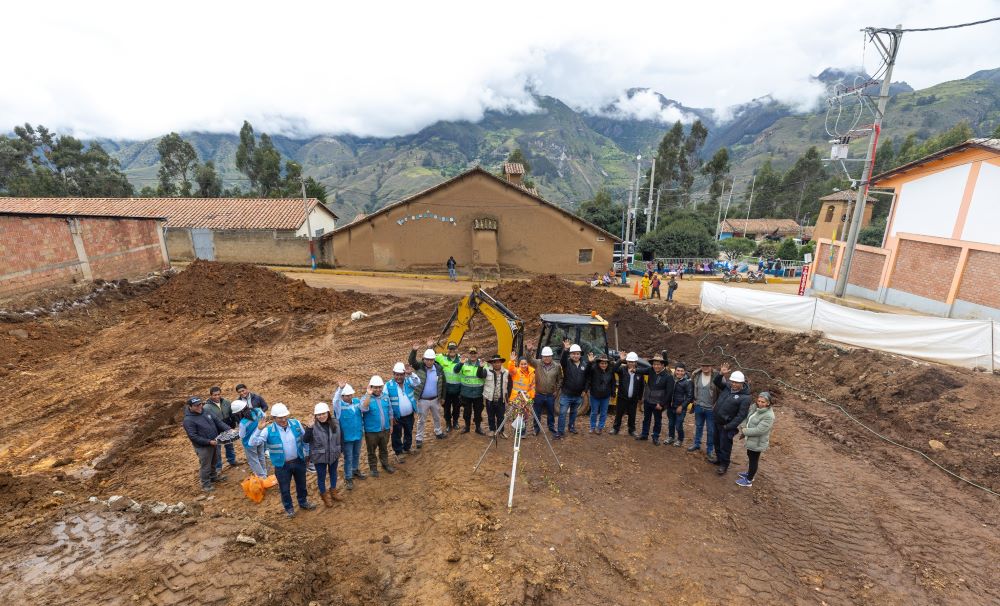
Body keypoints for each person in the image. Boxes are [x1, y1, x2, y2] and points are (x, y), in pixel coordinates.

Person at [248, 403, 317, 517]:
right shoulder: (268, 430)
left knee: (302, 485)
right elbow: (252, 443)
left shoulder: (296, 424)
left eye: (285, 416)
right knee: (284, 489)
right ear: (274, 418)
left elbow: (305, 440)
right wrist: (258, 430)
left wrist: (307, 455)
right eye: (280, 418)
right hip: (282, 465)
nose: (284, 419)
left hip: (299, 461)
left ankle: (303, 502)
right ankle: (289, 508)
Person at [182, 396, 230, 492]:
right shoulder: (188, 420)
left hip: (214, 441)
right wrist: (208, 442)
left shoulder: (206, 411)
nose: (199, 407)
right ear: (190, 407)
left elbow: (218, 421)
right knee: (206, 466)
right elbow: (193, 436)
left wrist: (229, 429)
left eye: (200, 404)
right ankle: (206, 484)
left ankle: (213, 477)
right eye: (196, 405)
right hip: (203, 447)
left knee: (214, 462)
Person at [711, 364, 752, 475]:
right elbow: (716, 382)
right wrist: (721, 374)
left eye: (736, 382)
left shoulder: (745, 397)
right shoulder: (728, 387)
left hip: (727, 425)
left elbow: (741, 415)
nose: (733, 384)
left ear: (742, 383)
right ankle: (719, 459)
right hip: (717, 421)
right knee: (717, 442)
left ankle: (724, 465)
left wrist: (729, 426)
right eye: (732, 381)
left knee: (725, 446)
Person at [304, 402, 343, 506]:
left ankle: (333, 491)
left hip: (334, 454)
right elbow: (306, 440)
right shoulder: (313, 426)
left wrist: (340, 449)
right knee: (321, 476)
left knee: (333, 473)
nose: (321, 416)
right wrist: (309, 428)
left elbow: (340, 437)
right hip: (319, 457)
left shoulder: (335, 422)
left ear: (328, 413)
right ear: (315, 416)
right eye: (319, 414)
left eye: (323, 413)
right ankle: (324, 495)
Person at [409, 344, 447, 447]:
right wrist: (414, 351)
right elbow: (411, 362)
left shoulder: (439, 369)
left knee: (437, 417)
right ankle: (419, 438)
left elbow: (443, 384)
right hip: (423, 400)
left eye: (431, 360)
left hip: (435, 399)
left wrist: (442, 397)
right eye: (427, 359)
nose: (429, 362)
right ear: (424, 359)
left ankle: (438, 432)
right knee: (421, 420)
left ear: (434, 360)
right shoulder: (420, 367)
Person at [736, 391, 775, 487]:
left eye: (763, 402)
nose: (760, 404)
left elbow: (759, 430)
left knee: (754, 460)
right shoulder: (755, 408)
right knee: (750, 455)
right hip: (752, 440)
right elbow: (747, 417)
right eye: (759, 401)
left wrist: (744, 431)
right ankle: (750, 473)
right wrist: (743, 425)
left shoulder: (769, 416)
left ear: (768, 403)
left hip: (758, 442)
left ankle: (749, 480)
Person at [525, 343, 562, 436]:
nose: (547, 358)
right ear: (542, 356)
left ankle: (551, 428)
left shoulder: (557, 366)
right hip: (539, 394)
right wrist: (529, 351)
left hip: (550, 395)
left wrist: (556, 390)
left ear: (551, 356)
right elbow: (529, 359)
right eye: (545, 356)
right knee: (537, 413)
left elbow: (560, 379)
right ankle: (536, 429)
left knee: (551, 412)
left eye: (548, 356)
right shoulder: (537, 363)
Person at [636, 353, 673, 445]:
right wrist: (634, 369)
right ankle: (644, 435)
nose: (656, 366)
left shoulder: (668, 377)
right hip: (648, 401)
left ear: (662, 365)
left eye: (658, 364)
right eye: (654, 364)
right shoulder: (650, 370)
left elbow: (669, 393)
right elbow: (641, 370)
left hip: (658, 403)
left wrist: (662, 404)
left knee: (657, 420)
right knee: (646, 419)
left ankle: (655, 437)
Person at [360, 376, 395, 476]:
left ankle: (385, 464)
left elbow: (390, 412)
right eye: (375, 387)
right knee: (371, 451)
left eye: (380, 387)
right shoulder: (365, 398)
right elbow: (363, 408)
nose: (378, 389)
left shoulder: (385, 397)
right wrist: (368, 395)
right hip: (371, 432)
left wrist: (391, 426)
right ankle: (373, 468)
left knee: (384, 449)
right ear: (371, 387)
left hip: (385, 430)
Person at [333, 383, 365, 489]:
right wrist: (340, 389)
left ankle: (355, 470)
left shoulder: (356, 401)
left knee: (356, 454)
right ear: (342, 396)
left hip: (358, 434)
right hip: (346, 438)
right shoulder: (339, 406)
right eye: (347, 395)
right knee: (348, 457)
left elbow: (364, 408)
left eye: (351, 395)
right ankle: (348, 477)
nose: (349, 397)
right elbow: (335, 401)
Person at [387, 361, 420, 460]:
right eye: (397, 375)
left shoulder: (408, 381)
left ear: (404, 374)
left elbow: (418, 382)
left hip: (409, 415)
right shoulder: (388, 385)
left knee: (408, 432)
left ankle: (407, 448)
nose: (399, 377)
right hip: (397, 417)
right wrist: (391, 417)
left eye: (401, 375)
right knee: (396, 435)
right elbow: (386, 403)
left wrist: (411, 373)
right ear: (393, 374)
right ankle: (398, 452)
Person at [687, 361, 720, 458]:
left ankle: (710, 449)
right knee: (698, 426)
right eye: (703, 365)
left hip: (711, 408)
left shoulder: (717, 377)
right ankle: (697, 444)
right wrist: (693, 400)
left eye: (707, 365)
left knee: (711, 430)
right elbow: (692, 387)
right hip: (698, 406)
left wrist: (716, 404)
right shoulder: (696, 375)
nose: (705, 367)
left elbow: (722, 392)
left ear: (711, 366)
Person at [557, 341, 589, 438]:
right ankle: (560, 431)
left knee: (574, 413)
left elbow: (587, 379)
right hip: (566, 394)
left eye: (577, 354)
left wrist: (585, 390)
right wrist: (565, 349)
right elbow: (561, 360)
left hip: (578, 395)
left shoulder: (584, 365)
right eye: (573, 354)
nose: (575, 356)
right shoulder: (567, 363)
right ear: (570, 354)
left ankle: (571, 427)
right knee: (562, 413)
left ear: (580, 354)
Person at [203, 386, 238, 471]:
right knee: (217, 450)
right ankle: (218, 467)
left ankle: (232, 461)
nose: (217, 397)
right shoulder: (206, 407)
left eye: (218, 394)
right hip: (216, 430)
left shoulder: (226, 402)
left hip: (227, 427)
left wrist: (233, 424)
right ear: (211, 395)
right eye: (215, 395)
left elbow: (231, 414)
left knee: (229, 445)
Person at [454, 347, 487, 434]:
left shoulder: (482, 363)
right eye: (471, 353)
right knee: (466, 412)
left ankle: (478, 428)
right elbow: (455, 371)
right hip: (466, 393)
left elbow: (484, 375)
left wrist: (481, 367)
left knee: (478, 412)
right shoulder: (464, 363)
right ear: (469, 354)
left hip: (478, 393)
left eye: (474, 353)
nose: (473, 355)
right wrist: (460, 363)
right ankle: (467, 427)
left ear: (477, 354)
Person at [232, 399, 268, 479]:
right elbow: (264, 417)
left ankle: (262, 477)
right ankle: (264, 473)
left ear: (239, 412)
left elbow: (242, 435)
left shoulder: (243, 422)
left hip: (249, 443)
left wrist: (237, 431)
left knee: (254, 460)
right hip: (260, 438)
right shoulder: (257, 410)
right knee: (261, 456)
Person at [612, 352, 643, 436]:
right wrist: (620, 360)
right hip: (622, 397)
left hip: (634, 398)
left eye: (633, 362)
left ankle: (631, 430)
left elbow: (641, 386)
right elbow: (613, 369)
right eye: (629, 361)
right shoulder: (622, 369)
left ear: (636, 362)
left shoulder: (639, 371)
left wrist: (640, 398)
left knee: (632, 415)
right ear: (626, 362)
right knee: (619, 413)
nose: (631, 363)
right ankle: (615, 428)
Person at [585, 353, 616, 434]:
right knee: (594, 412)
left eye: (605, 363)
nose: (604, 365)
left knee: (603, 413)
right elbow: (586, 372)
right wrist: (590, 362)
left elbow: (613, 382)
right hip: (595, 395)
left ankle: (600, 427)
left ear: (607, 364)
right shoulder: (593, 369)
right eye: (602, 363)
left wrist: (613, 393)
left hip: (606, 396)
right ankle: (592, 427)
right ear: (598, 363)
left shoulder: (610, 371)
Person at [436, 341, 463, 431]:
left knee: (456, 407)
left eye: (454, 348)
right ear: (447, 349)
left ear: (457, 349)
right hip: (446, 389)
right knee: (446, 408)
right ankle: (448, 423)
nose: (452, 350)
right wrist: (429, 347)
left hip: (457, 389)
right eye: (450, 348)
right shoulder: (441, 358)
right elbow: (430, 357)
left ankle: (455, 422)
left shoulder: (461, 359)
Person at [483, 354, 512, 437]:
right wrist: (480, 367)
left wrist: (508, 397)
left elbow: (509, 385)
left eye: (498, 362)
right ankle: (492, 430)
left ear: (501, 363)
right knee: (491, 416)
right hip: (490, 398)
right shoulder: (486, 371)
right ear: (492, 363)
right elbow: (479, 375)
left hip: (501, 399)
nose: (496, 364)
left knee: (501, 417)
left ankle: (501, 431)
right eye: (494, 362)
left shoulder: (506, 372)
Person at [665, 363, 693, 446]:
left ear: (684, 372)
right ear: (675, 371)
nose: (679, 373)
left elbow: (689, 397)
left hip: (680, 407)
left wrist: (682, 406)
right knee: (671, 423)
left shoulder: (687, 382)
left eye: (681, 371)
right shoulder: (671, 379)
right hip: (670, 406)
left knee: (678, 425)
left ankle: (680, 439)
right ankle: (671, 437)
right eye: (678, 371)